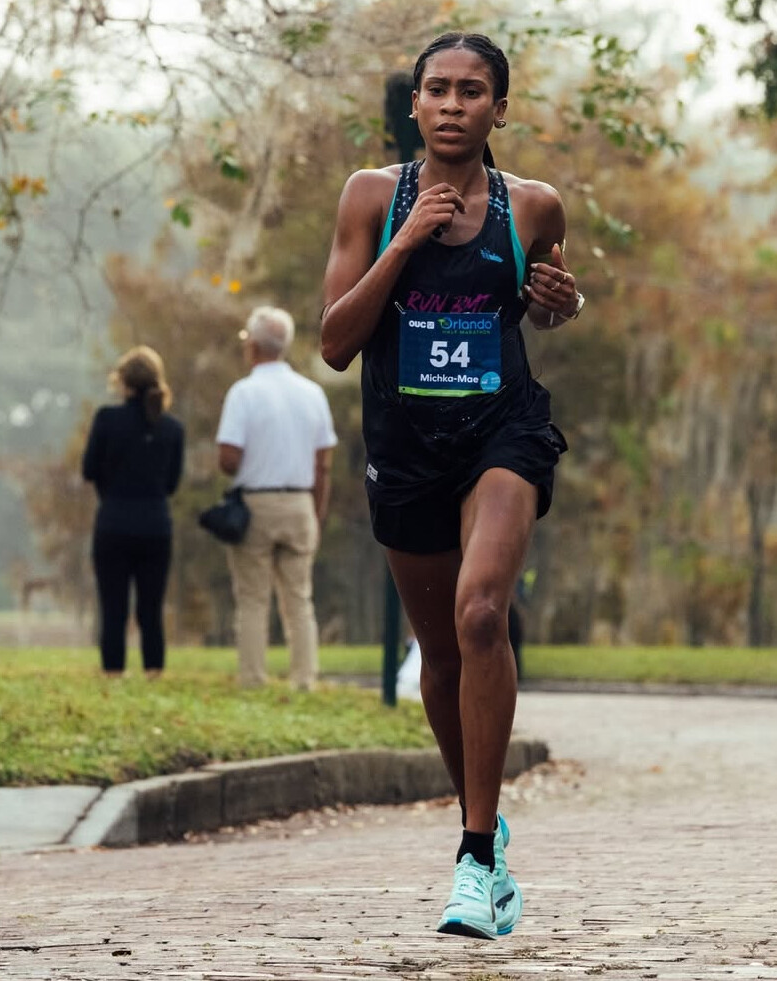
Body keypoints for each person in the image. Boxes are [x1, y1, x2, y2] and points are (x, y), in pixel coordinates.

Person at [321, 32, 582, 939]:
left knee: (480, 614)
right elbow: (335, 341)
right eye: (437, 89)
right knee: (439, 654)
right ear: (415, 104)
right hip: (405, 444)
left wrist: (563, 303)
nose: (452, 104)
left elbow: (550, 299)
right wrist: (405, 240)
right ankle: (486, 823)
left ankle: (473, 857)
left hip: (501, 431)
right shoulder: (370, 196)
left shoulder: (534, 205)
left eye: (473, 91)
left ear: (498, 110)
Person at [216, 306, 338, 690]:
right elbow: (323, 464)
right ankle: (304, 678)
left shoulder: (243, 394)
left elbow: (228, 459)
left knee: (253, 599)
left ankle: (253, 678)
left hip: (256, 505)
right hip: (300, 503)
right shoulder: (312, 393)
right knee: (299, 598)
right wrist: (316, 512)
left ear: (253, 346)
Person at [82, 345, 184, 678]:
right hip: (156, 526)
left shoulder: (107, 419)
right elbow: (171, 484)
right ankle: (154, 670)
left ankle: (113, 671)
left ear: (123, 382)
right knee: (151, 607)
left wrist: (111, 489)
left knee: (113, 606)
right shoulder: (172, 429)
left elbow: (89, 469)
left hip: (113, 523)